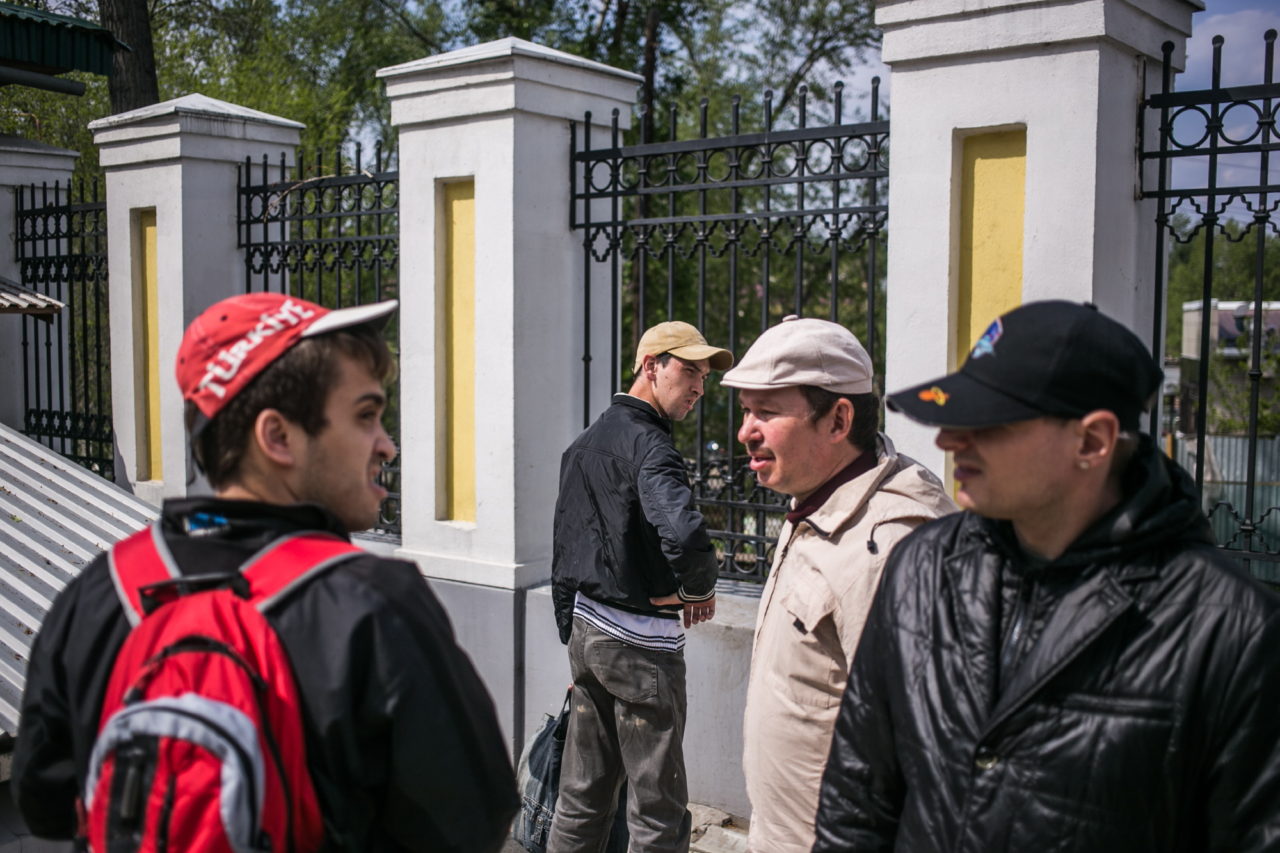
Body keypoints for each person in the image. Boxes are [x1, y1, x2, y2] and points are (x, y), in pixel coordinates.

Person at [12, 293, 519, 852]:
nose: (387, 446)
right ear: (278, 437)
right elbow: (472, 820)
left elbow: (44, 801)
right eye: (366, 416)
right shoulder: (374, 603)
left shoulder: (100, 590)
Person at [813, 300, 1280, 852]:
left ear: (1092, 442)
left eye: (988, 422)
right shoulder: (921, 568)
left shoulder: (1236, 631)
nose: (948, 440)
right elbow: (856, 801)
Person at [718, 315, 954, 853]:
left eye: (767, 412)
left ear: (838, 420)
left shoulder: (891, 545)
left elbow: (928, 759)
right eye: (746, 411)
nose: (745, 431)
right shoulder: (819, 503)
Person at [547, 320, 733, 853]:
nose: (699, 388)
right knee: (658, 812)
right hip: (640, 647)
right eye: (690, 372)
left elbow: (564, 545)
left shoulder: (584, 443)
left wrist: (571, 636)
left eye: (704, 377)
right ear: (651, 366)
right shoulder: (652, 447)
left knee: (580, 800)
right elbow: (685, 535)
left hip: (589, 634)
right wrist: (699, 590)